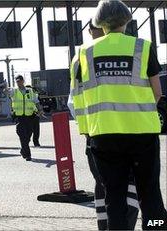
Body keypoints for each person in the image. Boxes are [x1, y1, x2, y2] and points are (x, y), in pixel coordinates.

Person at [70, 1, 167, 229]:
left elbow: (78, 99)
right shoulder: (143, 47)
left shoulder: (83, 54)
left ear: (98, 22)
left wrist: (88, 130)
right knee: (150, 193)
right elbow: (158, 92)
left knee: (114, 197)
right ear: (126, 20)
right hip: (142, 134)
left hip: (104, 136)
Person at [68, 20, 140, 230]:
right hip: (126, 133)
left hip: (97, 135)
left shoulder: (82, 56)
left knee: (105, 184)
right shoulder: (133, 50)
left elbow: (74, 102)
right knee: (127, 186)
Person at [1, 75, 43, 161]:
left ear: (23, 81)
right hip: (19, 117)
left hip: (29, 117)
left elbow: (36, 101)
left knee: (28, 135)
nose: (18, 82)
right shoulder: (14, 91)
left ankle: (23, 150)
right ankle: (28, 155)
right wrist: (5, 87)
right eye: (17, 81)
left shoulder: (30, 91)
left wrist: (40, 110)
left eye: (20, 81)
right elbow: (6, 92)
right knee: (22, 134)